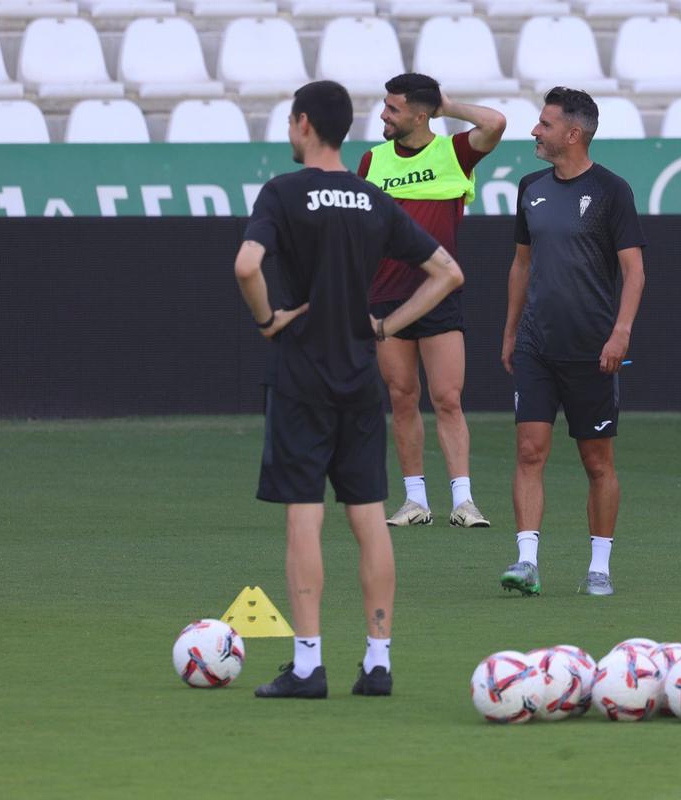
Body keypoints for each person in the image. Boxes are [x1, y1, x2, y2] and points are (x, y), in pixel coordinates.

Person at [234, 80, 464, 699]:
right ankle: (379, 661)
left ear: (304, 124)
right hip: (361, 376)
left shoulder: (282, 193)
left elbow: (246, 265)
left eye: (290, 122)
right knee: (369, 520)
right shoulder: (373, 198)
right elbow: (449, 272)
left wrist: (266, 321)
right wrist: (386, 325)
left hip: (302, 374)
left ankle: (308, 666)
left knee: (304, 519)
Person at [498, 87, 646, 597]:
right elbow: (521, 264)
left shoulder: (611, 191)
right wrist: (512, 330)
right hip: (537, 344)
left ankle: (599, 567)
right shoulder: (530, 187)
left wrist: (620, 332)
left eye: (543, 124)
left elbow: (634, 270)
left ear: (573, 133)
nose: (535, 132)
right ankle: (526, 562)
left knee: (597, 461)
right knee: (529, 450)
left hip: (593, 349)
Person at [357, 73, 506, 529]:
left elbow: (496, 122)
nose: (383, 114)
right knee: (402, 398)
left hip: (438, 296)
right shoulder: (371, 161)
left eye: (393, 109)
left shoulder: (454, 153)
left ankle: (463, 501)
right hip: (387, 299)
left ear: (421, 115)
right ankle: (415, 501)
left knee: (447, 398)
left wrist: (448, 104)